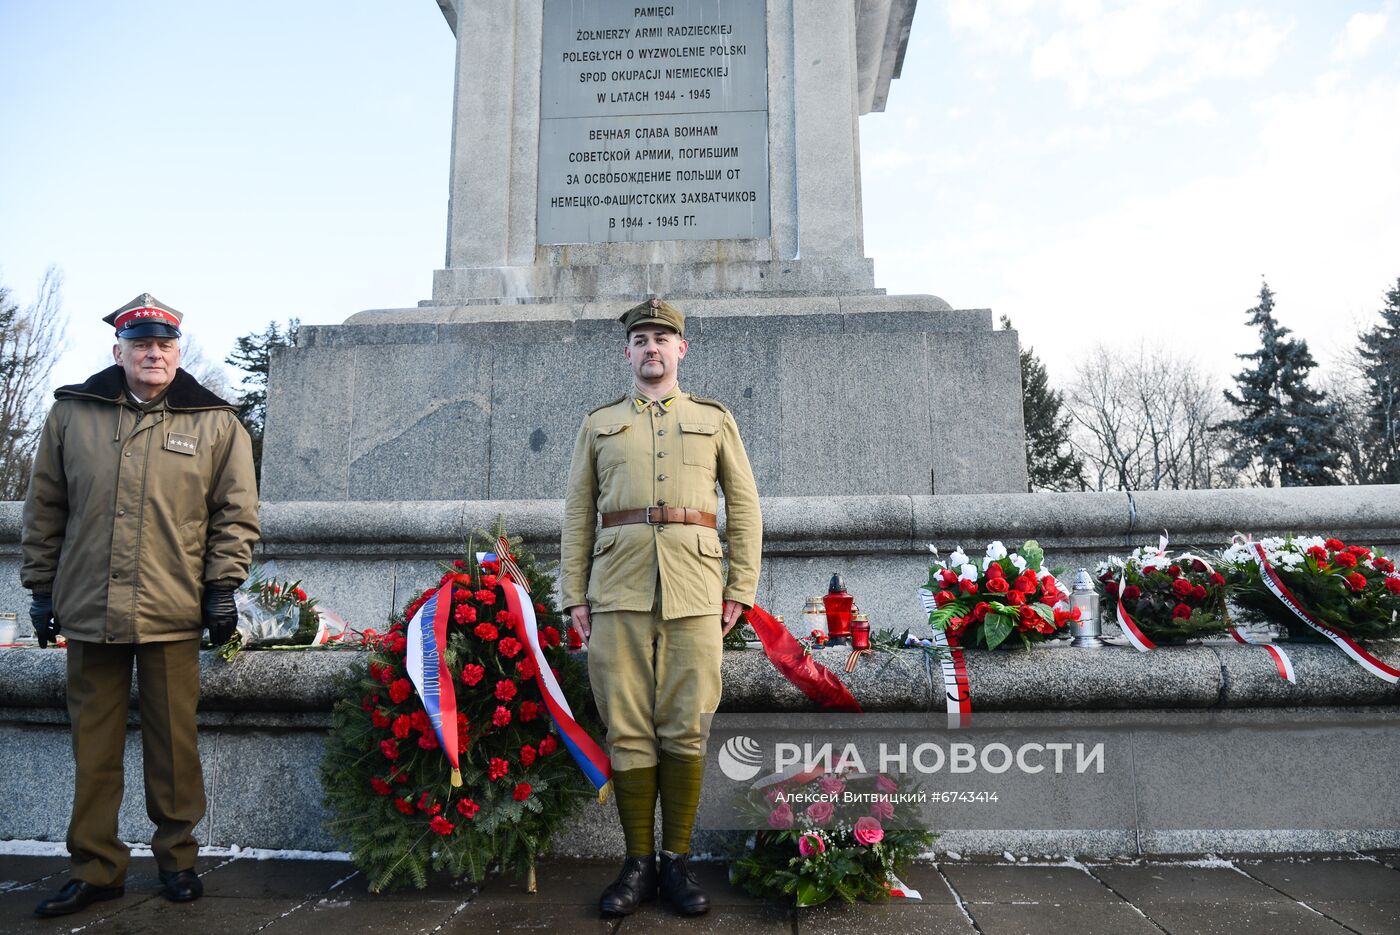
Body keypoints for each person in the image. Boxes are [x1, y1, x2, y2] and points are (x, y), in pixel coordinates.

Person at [21, 294, 259, 917]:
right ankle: (96, 868)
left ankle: (178, 860)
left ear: (178, 353)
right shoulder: (73, 413)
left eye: (165, 346)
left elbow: (235, 515)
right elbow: (45, 506)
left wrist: (222, 588)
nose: (154, 354)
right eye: (141, 345)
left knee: (174, 747)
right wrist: (41, 590)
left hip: (173, 608)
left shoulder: (215, 421)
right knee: (92, 747)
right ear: (118, 350)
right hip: (90, 608)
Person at [560, 297, 762, 917]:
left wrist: (740, 590)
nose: (652, 347)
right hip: (618, 587)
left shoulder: (714, 418)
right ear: (627, 352)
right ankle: (638, 863)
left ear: (682, 350)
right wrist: (574, 594)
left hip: (696, 589)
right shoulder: (598, 424)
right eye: (641, 339)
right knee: (626, 726)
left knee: (686, 724)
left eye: (662, 339)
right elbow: (577, 515)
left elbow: (745, 507)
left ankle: (676, 862)